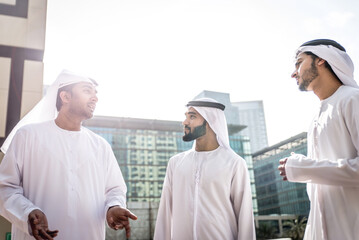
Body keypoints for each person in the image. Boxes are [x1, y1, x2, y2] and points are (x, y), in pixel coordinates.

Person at [0, 70, 137, 240]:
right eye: (87, 91)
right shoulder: (28, 136)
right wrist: (27, 212)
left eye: (95, 93)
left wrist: (113, 207)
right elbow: (5, 187)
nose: (95, 98)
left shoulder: (100, 145)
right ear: (65, 97)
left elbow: (114, 189)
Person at [278, 39, 359, 239]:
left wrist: (304, 169)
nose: (293, 73)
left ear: (321, 60)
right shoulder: (316, 117)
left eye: (299, 63)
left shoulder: (352, 99)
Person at [154, 98, 255, 240]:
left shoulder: (234, 163)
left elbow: (245, 219)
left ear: (210, 121)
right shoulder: (175, 163)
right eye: (186, 116)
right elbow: (164, 215)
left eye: (192, 116)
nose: (184, 122)